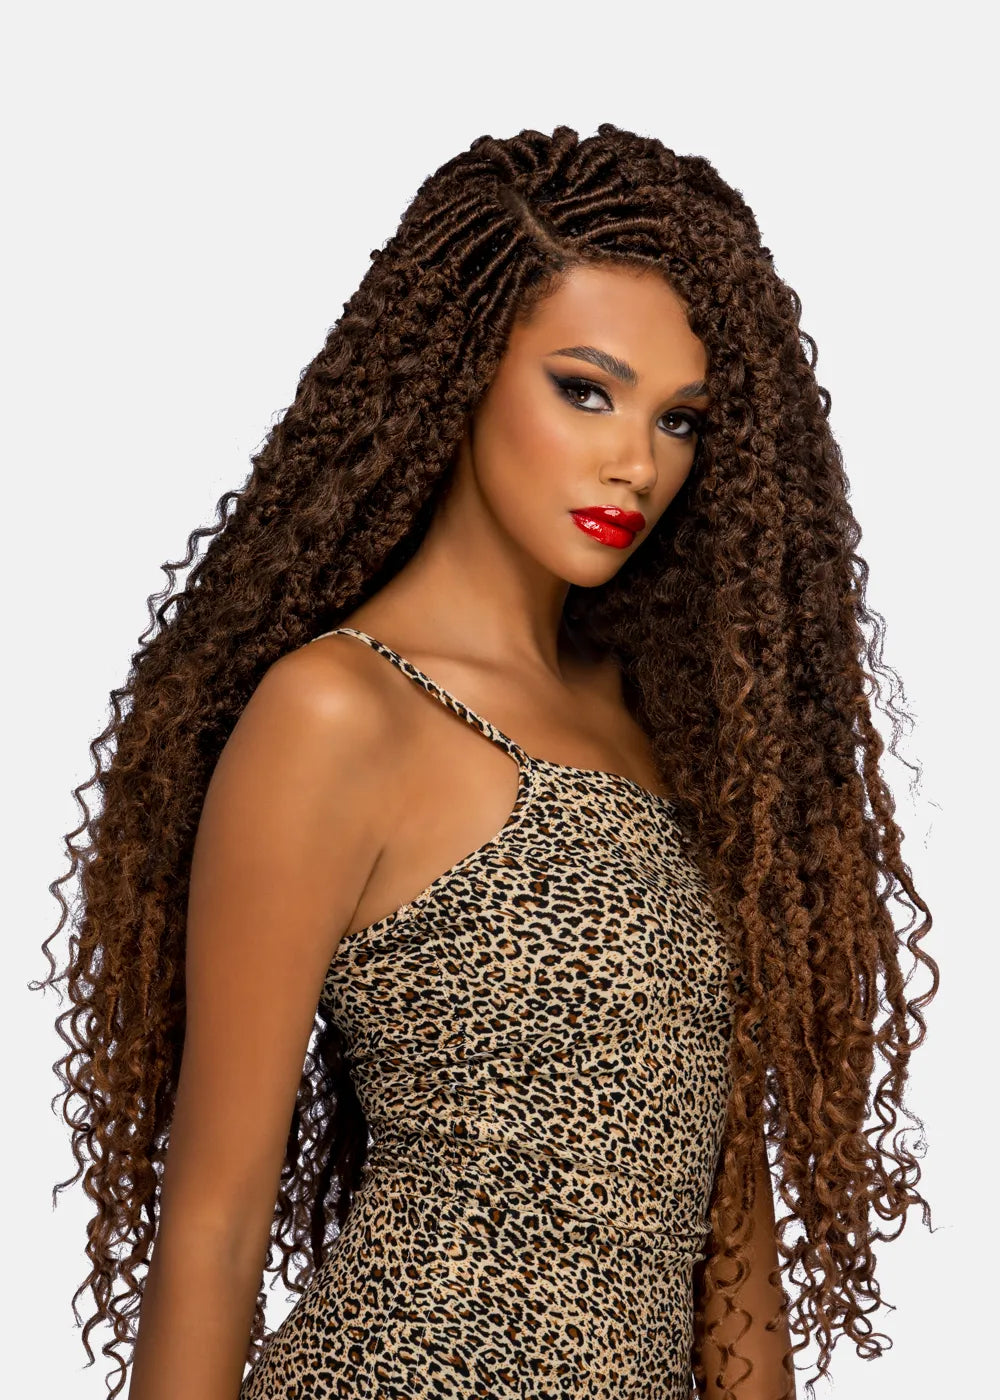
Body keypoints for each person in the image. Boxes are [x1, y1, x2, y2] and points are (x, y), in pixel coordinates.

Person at [34, 123, 938, 1400]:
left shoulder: (681, 738)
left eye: (679, 419)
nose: (637, 462)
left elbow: (729, 1243)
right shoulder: (338, 714)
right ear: (463, 369)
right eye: (586, 389)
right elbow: (216, 1231)